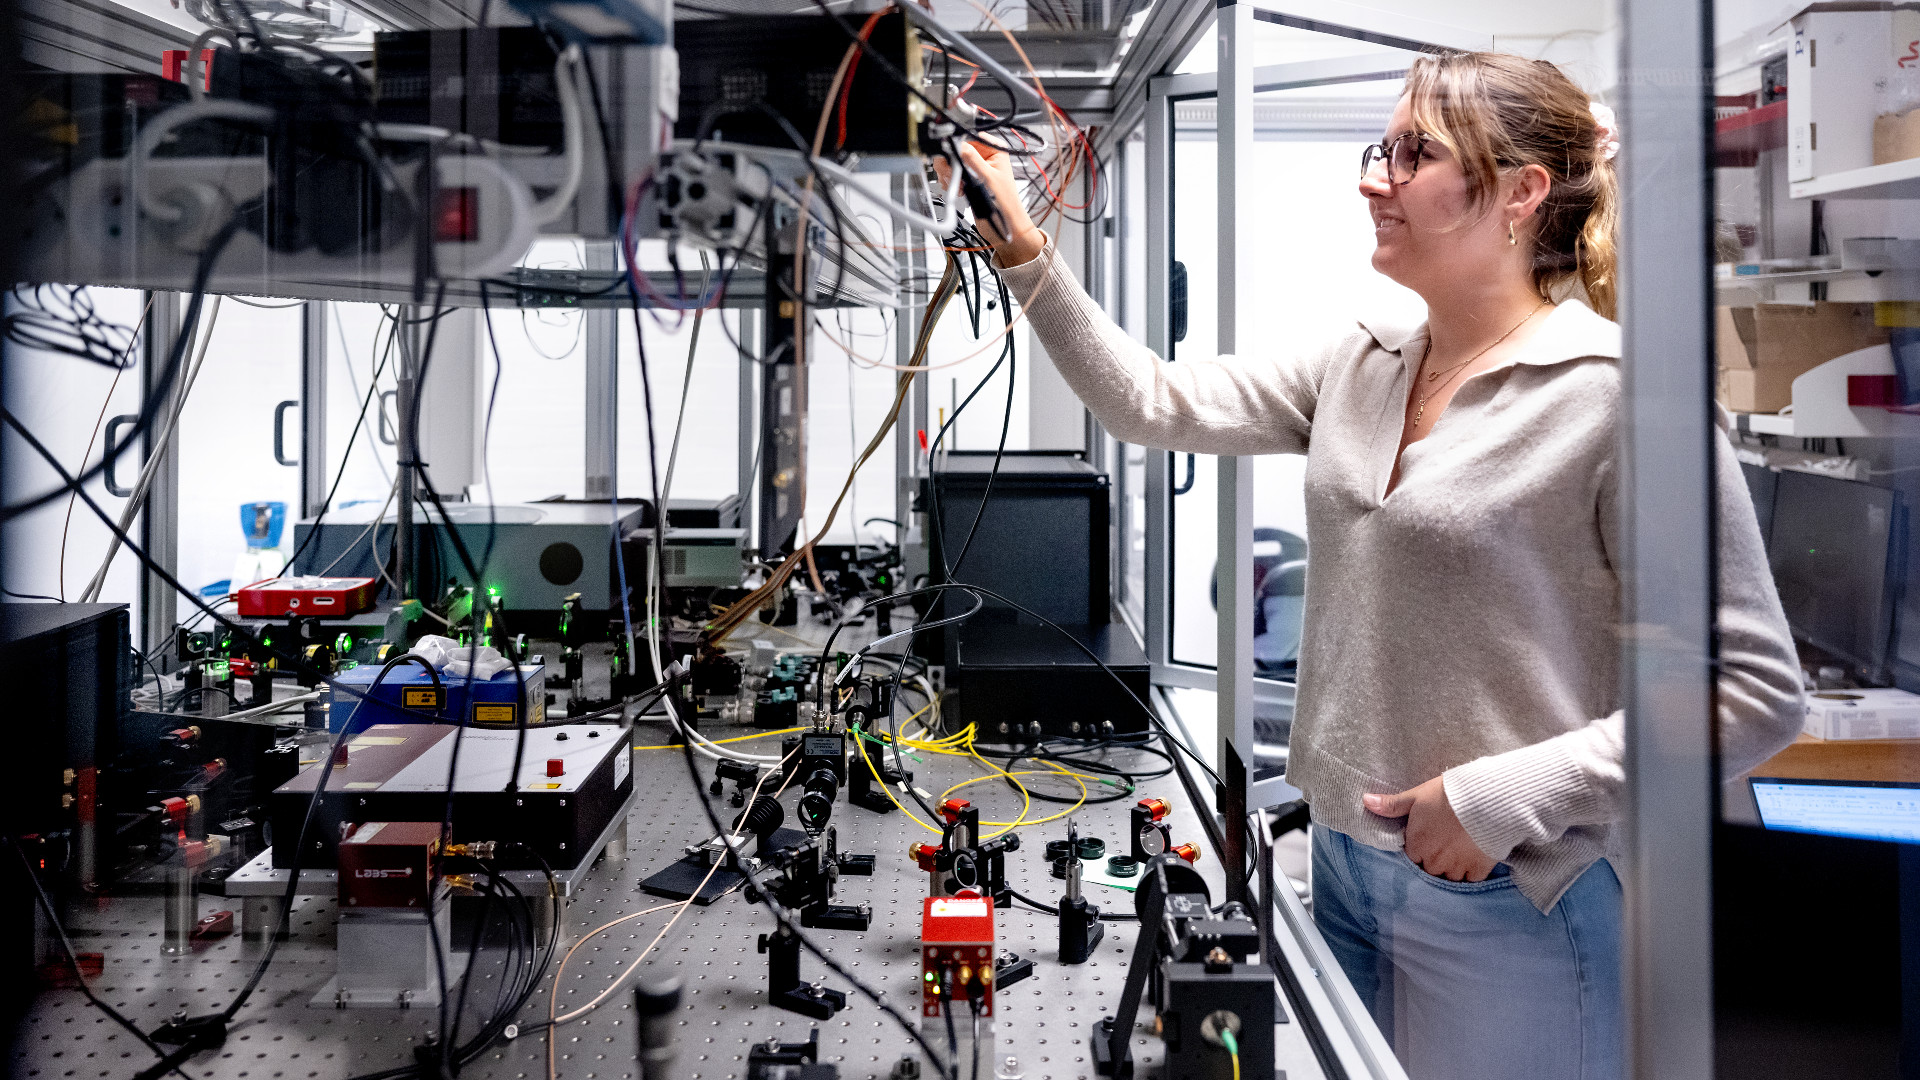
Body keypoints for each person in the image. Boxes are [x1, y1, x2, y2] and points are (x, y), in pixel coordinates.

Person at [949, 51, 1805, 1080]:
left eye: (1414, 153)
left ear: (1522, 194)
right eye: (1379, 148)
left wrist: (1500, 796)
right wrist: (1027, 255)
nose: (1373, 177)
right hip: (1343, 870)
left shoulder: (1623, 400)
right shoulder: (1366, 360)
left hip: (1512, 894)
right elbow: (1154, 402)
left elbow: (1752, 694)